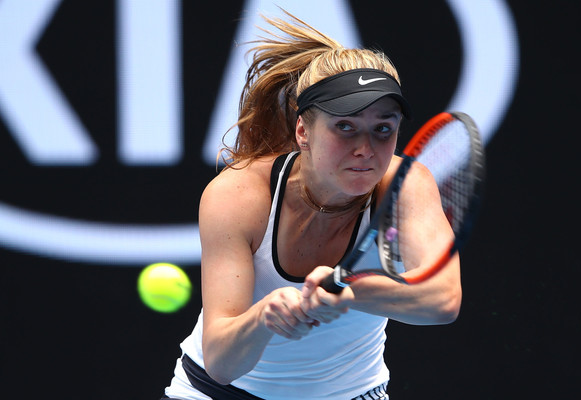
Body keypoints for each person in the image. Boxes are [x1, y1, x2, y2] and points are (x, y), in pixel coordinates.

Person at [161, 10, 461, 400]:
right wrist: (264, 317)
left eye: (383, 129)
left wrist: (351, 291)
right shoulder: (239, 195)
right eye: (345, 127)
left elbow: (443, 299)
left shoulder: (405, 187)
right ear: (304, 130)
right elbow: (220, 362)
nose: (366, 150)